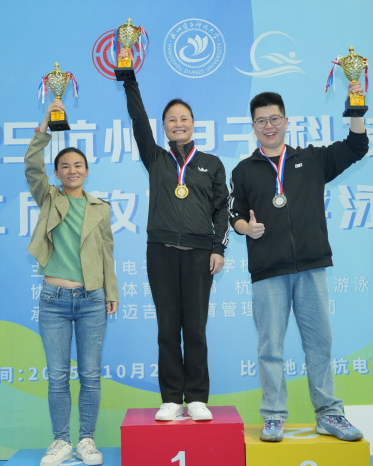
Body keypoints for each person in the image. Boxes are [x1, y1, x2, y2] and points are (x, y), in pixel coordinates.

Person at [228, 82, 368, 442]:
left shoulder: (313, 160)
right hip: (268, 271)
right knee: (270, 348)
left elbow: (357, 146)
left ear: (286, 121)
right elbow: (234, 214)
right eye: (262, 121)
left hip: (311, 266)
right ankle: (274, 416)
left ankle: (329, 413)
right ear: (253, 126)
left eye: (275, 118)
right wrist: (247, 228)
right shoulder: (243, 170)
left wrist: (355, 106)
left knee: (319, 343)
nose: (269, 126)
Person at [120, 71, 229, 422]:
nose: (178, 124)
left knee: (195, 328)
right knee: (168, 328)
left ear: (193, 124)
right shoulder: (155, 158)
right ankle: (170, 398)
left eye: (184, 118)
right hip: (161, 252)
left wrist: (218, 248)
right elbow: (138, 120)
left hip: (199, 254)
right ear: (164, 127)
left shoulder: (211, 164)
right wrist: (130, 81)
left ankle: (196, 397)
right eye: (171, 119)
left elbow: (222, 209)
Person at [25, 98, 119, 466]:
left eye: (78, 165)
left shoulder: (100, 207)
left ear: (87, 170)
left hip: (93, 300)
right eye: (65, 166)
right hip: (54, 301)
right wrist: (46, 124)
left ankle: (86, 441)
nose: (72, 170)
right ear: (57, 172)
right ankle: (61, 441)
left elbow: (107, 253)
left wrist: (111, 292)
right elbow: (31, 165)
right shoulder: (49, 198)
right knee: (58, 377)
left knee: (91, 375)